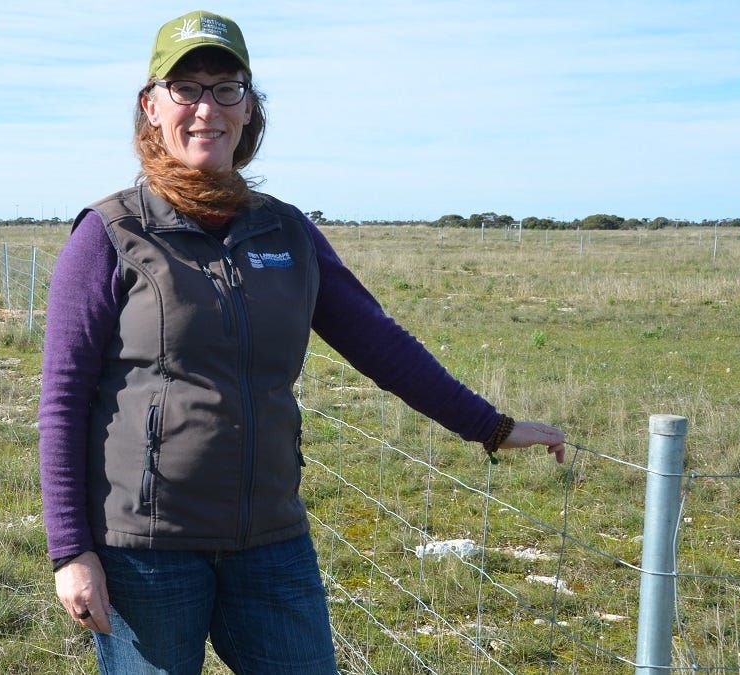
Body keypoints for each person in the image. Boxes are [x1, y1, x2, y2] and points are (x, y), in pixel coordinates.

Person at [38, 10, 566, 674]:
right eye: (187, 88)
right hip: (146, 549)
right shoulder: (110, 234)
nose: (208, 108)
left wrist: (489, 426)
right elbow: (63, 401)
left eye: (226, 88)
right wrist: (71, 550)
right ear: (151, 107)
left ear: (250, 109)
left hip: (271, 543)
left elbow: (381, 345)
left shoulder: (286, 232)